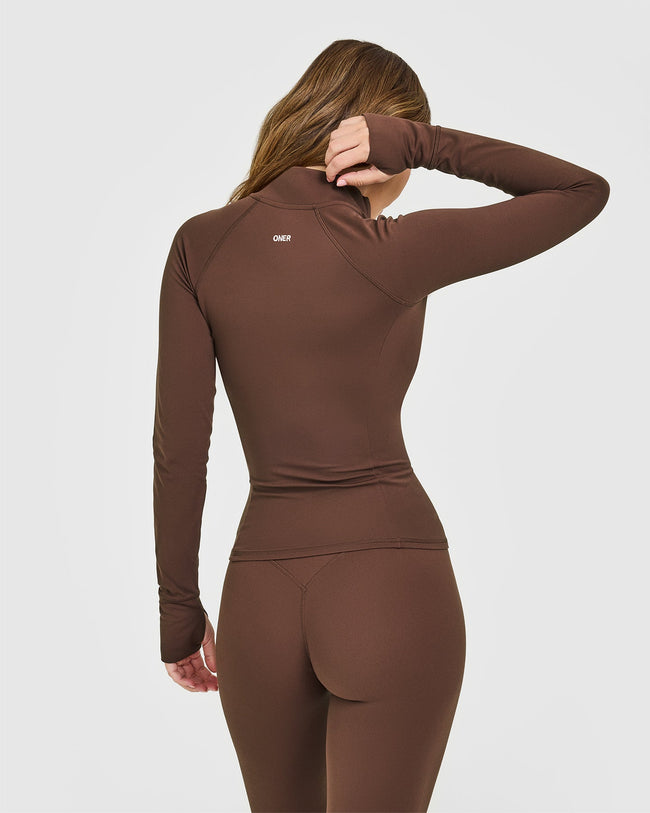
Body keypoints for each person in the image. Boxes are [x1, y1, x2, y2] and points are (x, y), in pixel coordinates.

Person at [152, 39, 609, 813]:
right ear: (376, 144)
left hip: (260, 596)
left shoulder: (201, 245)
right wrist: (424, 145)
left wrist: (178, 613)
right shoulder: (396, 248)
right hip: (388, 587)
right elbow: (582, 190)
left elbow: (179, 449)